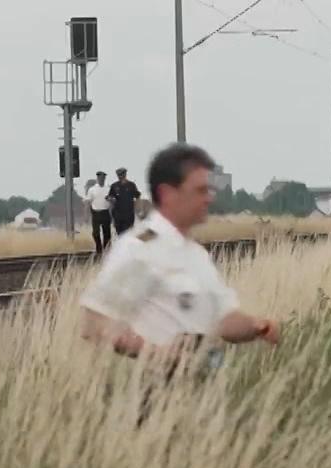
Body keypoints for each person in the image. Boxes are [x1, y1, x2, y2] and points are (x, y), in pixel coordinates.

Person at [79, 143, 280, 396]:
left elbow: (223, 320)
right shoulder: (141, 249)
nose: (209, 198)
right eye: (200, 190)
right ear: (168, 194)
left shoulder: (195, 255)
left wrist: (257, 326)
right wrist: (157, 353)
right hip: (156, 393)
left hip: (198, 393)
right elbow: (95, 323)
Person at [85, 170, 113, 254]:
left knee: (107, 233)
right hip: (96, 212)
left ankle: (106, 249)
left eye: (103, 178)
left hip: (105, 212)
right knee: (95, 233)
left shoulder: (108, 189)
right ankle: (99, 248)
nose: (102, 179)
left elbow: (112, 201)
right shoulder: (92, 189)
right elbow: (88, 202)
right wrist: (86, 214)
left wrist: (111, 200)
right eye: (100, 177)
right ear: (97, 178)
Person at [108, 166, 141, 235]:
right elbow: (110, 197)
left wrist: (137, 210)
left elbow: (137, 196)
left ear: (125, 174)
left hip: (129, 215)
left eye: (122, 174)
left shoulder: (131, 185)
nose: (120, 176)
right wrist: (111, 200)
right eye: (118, 175)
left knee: (128, 234)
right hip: (118, 215)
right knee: (120, 234)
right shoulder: (114, 186)